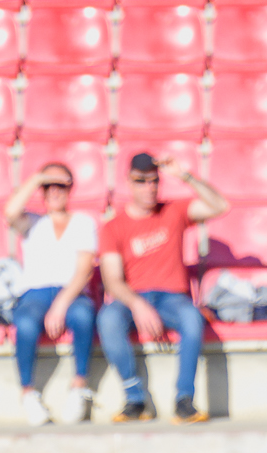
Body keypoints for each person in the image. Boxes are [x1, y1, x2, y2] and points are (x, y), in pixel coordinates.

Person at [95, 151, 229, 424]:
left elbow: (220, 205)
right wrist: (138, 305)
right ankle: (134, 400)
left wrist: (185, 176)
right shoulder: (113, 227)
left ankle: (184, 400)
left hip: (171, 299)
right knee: (108, 318)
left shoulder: (173, 211)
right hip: (133, 298)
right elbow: (112, 280)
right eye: (141, 181)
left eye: (154, 181)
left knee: (192, 317)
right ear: (129, 182)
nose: (149, 187)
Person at [3, 163, 100, 427]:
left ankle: (79, 385)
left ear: (70, 189)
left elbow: (84, 270)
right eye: (49, 186)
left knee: (83, 315)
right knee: (25, 323)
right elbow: (9, 212)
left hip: (71, 291)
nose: (55, 191)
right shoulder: (32, 222)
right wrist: (37, 177)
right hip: (35, 293)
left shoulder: (83, 223)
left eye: (61, 186)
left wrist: (60, 304)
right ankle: (27, 392)